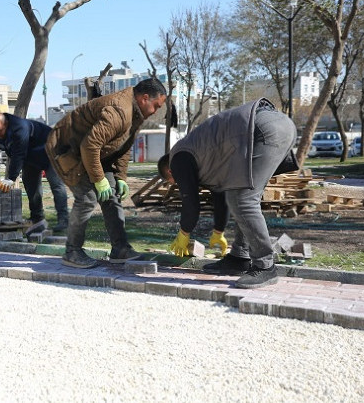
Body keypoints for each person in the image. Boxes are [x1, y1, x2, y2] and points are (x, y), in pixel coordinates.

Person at [158, 98, 297, 289]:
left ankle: (265, 266)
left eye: (173, 182)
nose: (177, 184)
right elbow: (221, 195)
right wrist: (218, 231)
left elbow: (191, 203)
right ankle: (240, 257)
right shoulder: (203, 156)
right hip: (270, 126)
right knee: (238, 195)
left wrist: (184, 232)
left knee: (243, 199)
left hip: (263, 129)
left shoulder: (178, 158)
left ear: (170, 172)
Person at [46, 78, 167, 268]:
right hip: (66, 148)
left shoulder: (136, 113)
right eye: (157, 106)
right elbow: (90, 145)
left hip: (95, 151)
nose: (157, 111)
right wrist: (98, 179)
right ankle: (72, 251)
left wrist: (120, 177)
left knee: (112, 195)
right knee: (87, 198)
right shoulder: (119, 111)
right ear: (145, 98)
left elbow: (124, 146)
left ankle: (120, 249)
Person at [0, 112, 70, 233]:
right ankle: (37, 218)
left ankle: (64, 220)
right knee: (31, 186)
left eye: (0, 131)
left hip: (51, 151)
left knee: (56, 184)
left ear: (6, 124)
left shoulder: (20, 127)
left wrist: (11, 178)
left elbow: (18, 154)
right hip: (31, 156)